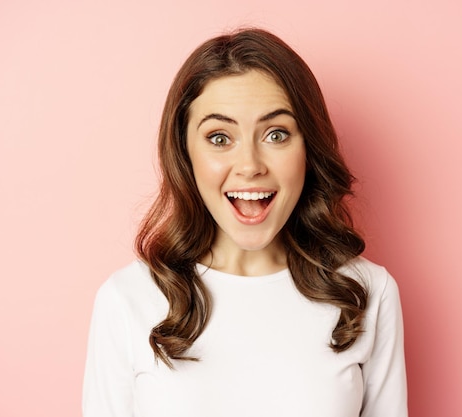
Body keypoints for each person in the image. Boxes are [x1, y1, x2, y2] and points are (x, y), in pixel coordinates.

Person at [83, 28, 407, 417]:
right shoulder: (127, 300)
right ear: (185, 153)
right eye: (220, 138)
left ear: (309, 149)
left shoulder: (367, 293)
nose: (251, 165)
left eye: (276, 134)